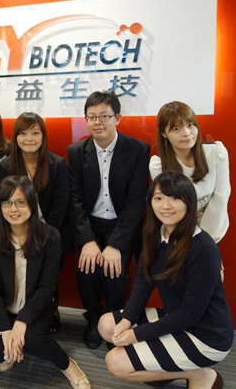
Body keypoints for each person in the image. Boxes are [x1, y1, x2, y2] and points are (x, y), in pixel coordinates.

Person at [99, 172, 233, 389]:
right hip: (177, 317)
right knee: (107, 325)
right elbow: (144, 281)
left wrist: (136, 334)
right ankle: (165, 367)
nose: (166, 206)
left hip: (206, 335)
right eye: (159, 198)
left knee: (116, 362)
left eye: (175, 198)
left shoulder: (203, 248)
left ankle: (199, 375)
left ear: (189, 203)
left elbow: (191, 313)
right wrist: (127, 319)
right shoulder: (156, 233)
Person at [0, 176, 91, 389]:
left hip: (36, 305)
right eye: (7, 202)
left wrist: (22, 321)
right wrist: (5, 327)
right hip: (3, 307)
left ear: (31, 204)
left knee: (31, 339)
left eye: (20, 202)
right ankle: (12, 345)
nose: (13, 209)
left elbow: (47, 286)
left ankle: (67, 364)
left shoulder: (50, 237)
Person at [67, 90, 150, 349]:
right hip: (89, 224)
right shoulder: (76, 151)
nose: (98, 122)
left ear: (118, 118)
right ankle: (93, 318)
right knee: (87, 270)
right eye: (92, 117)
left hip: (121, 225)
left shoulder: (137, 150)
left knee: (115, 273)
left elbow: (136, 201)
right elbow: (75, 200)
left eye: (104, 116)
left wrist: (115, 244)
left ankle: (114, 319)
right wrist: (87, 240)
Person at [0, 112, 70, 332]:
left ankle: (51, 311)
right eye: (23, 133)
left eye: (35, 133)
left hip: (51, 231)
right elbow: (6, 202)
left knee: (47, 276)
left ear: (43, 136)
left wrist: (45, 235)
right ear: (15, 137)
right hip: (18, 229)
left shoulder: (57, 164)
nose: (29, 138)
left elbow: (61, 205)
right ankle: (20, 312)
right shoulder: (6, 165)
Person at [149, 101, 230, 280]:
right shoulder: (159, 164)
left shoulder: (216, 153)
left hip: (211, 234)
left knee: (211, 282)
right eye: (176, 129)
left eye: (190, 125)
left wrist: (207, 247)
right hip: (178, 239)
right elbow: (169, 211)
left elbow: (220, 198)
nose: (186, 133)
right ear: (164, 133)